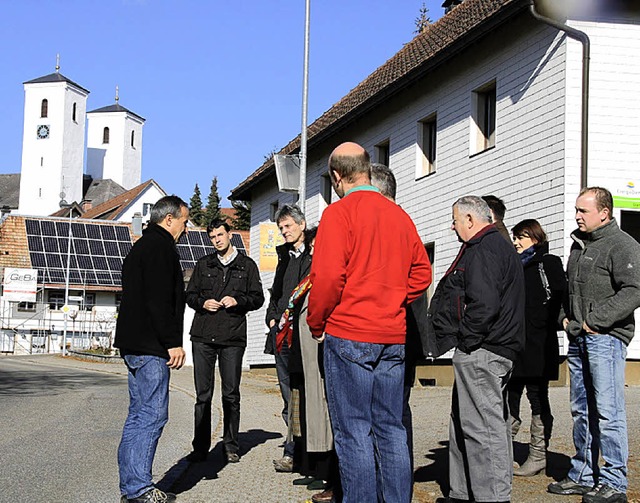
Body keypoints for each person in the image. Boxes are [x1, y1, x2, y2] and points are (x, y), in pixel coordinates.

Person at [307, 142, 432, 502]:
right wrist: (392, 298)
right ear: (367, 167)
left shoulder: (338, 214)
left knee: (354, 431)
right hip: (392, 334)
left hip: (349, 333)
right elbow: (421, 273)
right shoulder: (398, 215)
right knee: (391, 428)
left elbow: (328, 278)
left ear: (336, 176)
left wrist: (318, 324)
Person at [426, 195, 525, 503]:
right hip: (485, 347)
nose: (453, 227)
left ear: (470, 219)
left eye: (455, 221)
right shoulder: (488, 245)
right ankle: (463, 492)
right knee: (466, 423)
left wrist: (467, 339)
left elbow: (484, 304)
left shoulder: (486, 247)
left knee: (482, 428)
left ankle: (492, 497)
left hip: (484, 348)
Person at [548, 187, 640, 503]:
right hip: (578, 337)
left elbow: (634, 290)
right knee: (581, 410)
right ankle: (583, 475)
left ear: (604, 212)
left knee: (608, 412)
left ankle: (615, 483)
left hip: (605, 339)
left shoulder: (623, 245)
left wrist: (594, 322)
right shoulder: (580, 246)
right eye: (576, 210)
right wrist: (565, 318)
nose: (576, 216)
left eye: (583, 211)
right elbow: (568, 288)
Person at [114, 195, 189, 503]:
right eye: (184, 221)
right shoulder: (160, 249)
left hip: (134, 343)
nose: (186, 229)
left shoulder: (141, 247)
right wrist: (172, 342)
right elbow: (159, 301)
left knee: (138, 415)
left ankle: (133, 486)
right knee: (151, 415)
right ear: (168, 219)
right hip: (151, 346)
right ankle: (138, 489)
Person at [185, 219, 264, 464]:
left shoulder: (247, 265)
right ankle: (200, 448)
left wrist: (238, 301)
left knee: (231, 394)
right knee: (203, 395)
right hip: (203, 337)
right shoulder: (203, 264)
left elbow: (258, 298)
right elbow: (190, 295)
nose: (217, 239)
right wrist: (202, 303)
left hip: (232, 337)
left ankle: (231, 445)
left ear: (230, 235)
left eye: (220, 234)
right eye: (213, 237)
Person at [508, 219, 567, 476]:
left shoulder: (548, 263)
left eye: (521, 236)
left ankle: (538, 455)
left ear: (535, 237)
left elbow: (560, 297)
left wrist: (557, 322)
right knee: (509, 397)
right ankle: (501, 452)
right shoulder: (513, 265)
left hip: (538, 344)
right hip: (514, 344)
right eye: (515, 237)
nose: (516, 242)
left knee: (537, 397)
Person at [265, 204, 311, 472]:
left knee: (303, 397)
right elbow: (276, 294)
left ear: (301, 225)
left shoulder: (313, 255)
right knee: (287, 398)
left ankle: (302, 454)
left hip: (303, 335)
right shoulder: (284, 256)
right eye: (281, 228)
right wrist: (272, 318)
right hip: (281, 336)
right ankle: (293, 450)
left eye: (288, 226)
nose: (284, 232)